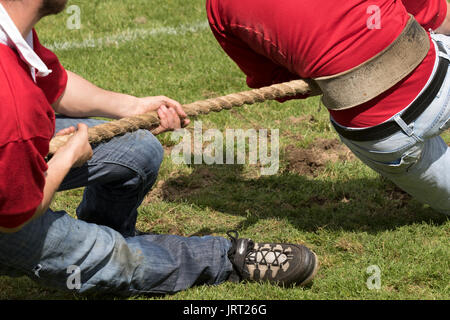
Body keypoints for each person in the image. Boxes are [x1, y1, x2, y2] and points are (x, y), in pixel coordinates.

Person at [0, 0, 318, 296]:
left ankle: (109, 235)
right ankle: (225, 259)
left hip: (12, 150)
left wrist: (134, 106)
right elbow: (16, 214)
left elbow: (52, 83)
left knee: (138, 148)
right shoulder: (14, 103)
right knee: (115, 258)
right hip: (11, 211)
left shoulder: (10, 26)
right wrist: (69, 155)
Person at [206, 0, 450, 215]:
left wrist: (332, 66)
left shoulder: (218, 8)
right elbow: (430, 14)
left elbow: (277, 83)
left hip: (379, 135)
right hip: (436, 76)